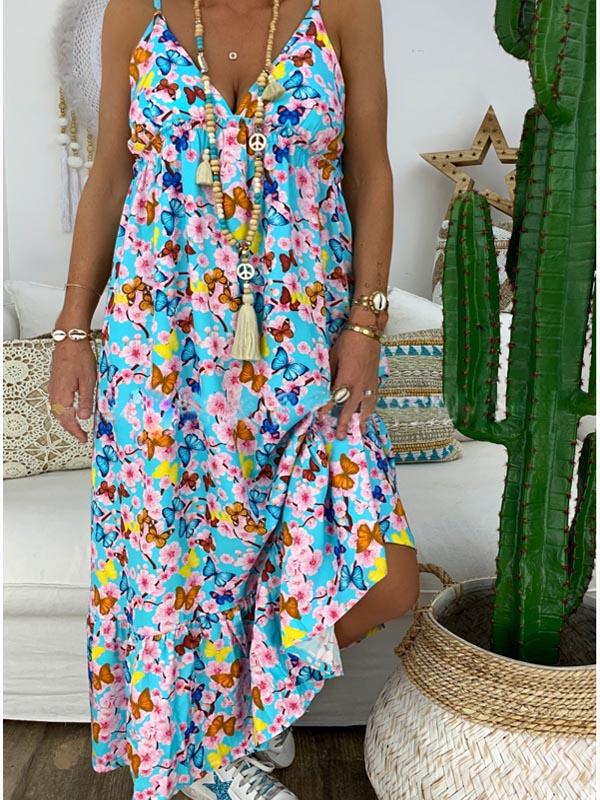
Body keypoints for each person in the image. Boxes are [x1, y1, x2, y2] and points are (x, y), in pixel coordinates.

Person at [47, 0, 420, 798]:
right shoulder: (136, 12)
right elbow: (110, 175)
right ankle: (209, 762)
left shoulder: (343, 9)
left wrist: (367, 323)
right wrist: (73, 331)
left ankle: (246, 714)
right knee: (180, 562)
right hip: (164, 347)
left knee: (387, 575)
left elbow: (370, 169)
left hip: (303, 341)